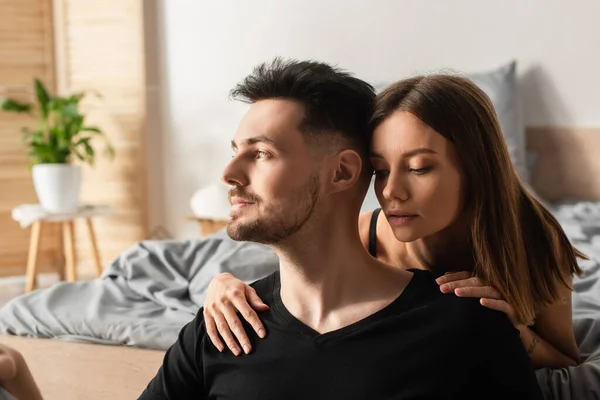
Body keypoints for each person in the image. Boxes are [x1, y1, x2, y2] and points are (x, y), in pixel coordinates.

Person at [139, 58, 543, 399]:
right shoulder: (221, 325)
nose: (228, 173)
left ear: (343, 171)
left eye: (261, 153)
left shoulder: (469, 326)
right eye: (235, 152)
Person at [203, 71, 586, 370]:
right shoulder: (366, 234)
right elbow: (284, 275)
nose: (391, 193)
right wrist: (221, 284)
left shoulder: (534, 239)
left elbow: (568, 361)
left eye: (418, 168)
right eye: (381, 171)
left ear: (476, 169)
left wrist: (515, 333)